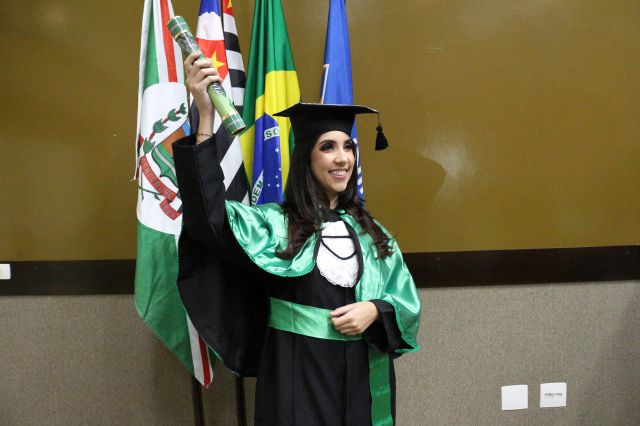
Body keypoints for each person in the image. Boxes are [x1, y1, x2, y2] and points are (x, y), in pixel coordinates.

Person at [173, 51, 421, 426]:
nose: (343, 158)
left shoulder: (373, 232)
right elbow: (207, 219)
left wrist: (376, 310)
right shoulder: (273, 224)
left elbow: (405, 302)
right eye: (328, 147)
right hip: (296, 374)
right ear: (306, 156)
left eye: (348, 146)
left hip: (361, 378)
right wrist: (206, 117)